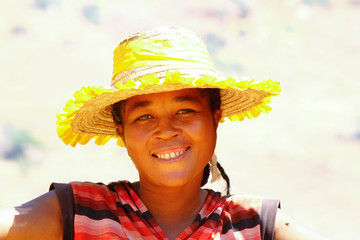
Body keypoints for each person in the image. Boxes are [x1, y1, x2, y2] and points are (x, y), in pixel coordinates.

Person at [0, 26, 329, 240]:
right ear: (121, 131)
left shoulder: (255, 225)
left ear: (215, 119)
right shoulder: (78, 212)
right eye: (144, 116)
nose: (166, 129)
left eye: (185, 110)